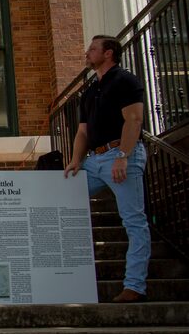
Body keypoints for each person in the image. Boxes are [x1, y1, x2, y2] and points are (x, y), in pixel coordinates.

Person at [64, 35, 150, 303]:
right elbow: (82, 132)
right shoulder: (90, 90)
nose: (87, 53)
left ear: (109, 53)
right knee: (59, 194)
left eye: (92, 49)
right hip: (94, 160)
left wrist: (123, 156)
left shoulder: (125, 81)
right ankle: (63, 275)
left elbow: (134, 120)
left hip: (121, 156)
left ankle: (134, 286)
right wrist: (77, 159)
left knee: (134, 221)